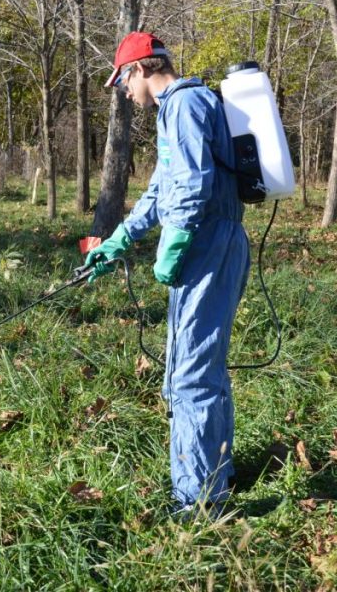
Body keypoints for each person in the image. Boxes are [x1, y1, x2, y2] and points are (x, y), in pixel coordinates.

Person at [86, 31, 250, 517]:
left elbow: (192, 188)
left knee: (190, 374)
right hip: (209, 241)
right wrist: (118, 241)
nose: (125, 93)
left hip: (208, 244)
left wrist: (173, 245)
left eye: (123, 82)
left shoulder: (184, 105)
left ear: (139, 69)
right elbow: (162, 192)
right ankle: (215, 474)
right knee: (199, 365)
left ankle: (199, 501)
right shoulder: (178, 110)